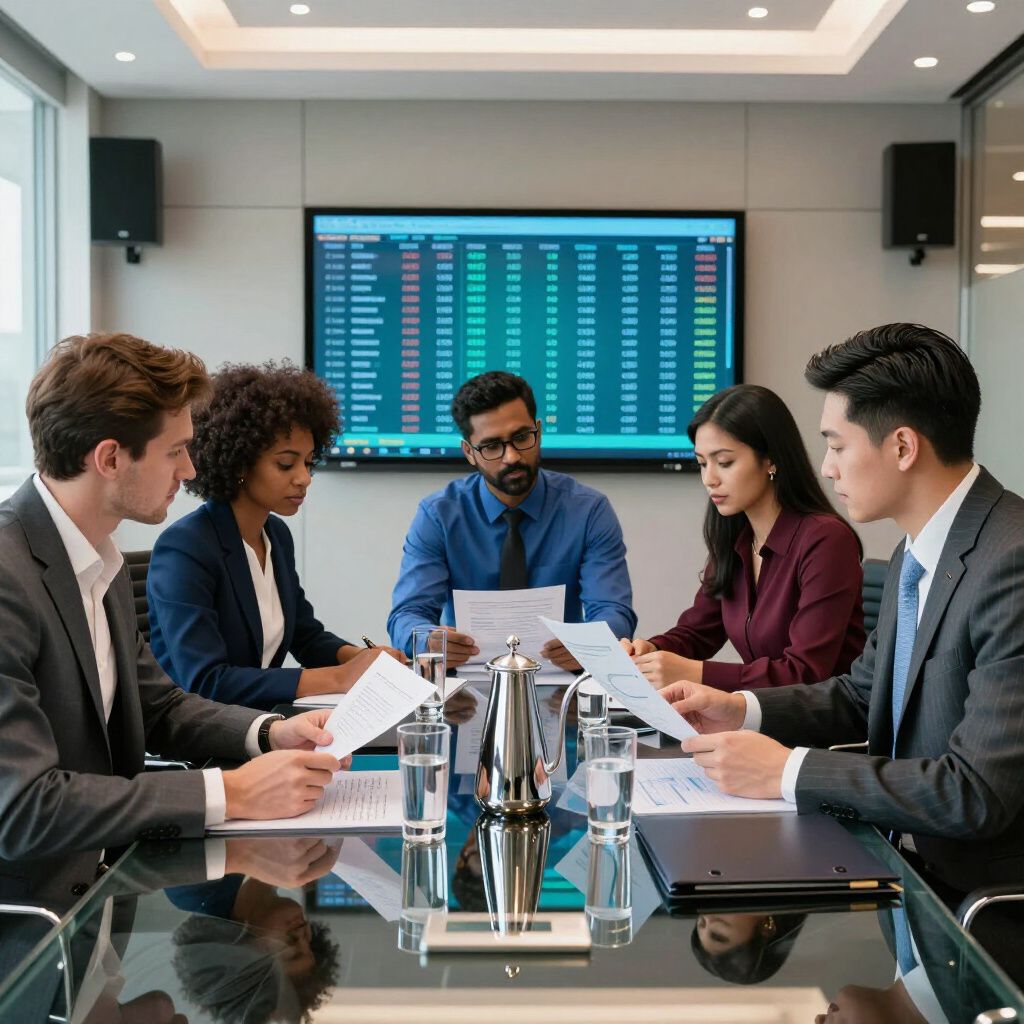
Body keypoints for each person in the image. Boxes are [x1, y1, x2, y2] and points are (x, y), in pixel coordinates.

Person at [662, 323, 1024, 984]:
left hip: (981, 922)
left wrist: (787, 772)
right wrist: (738, 710)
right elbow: (862, 698)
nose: (825, 466)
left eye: (836, 444)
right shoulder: (919, 550)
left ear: (903, 446)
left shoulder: (1011, 560)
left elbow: (975, 794)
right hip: (906, 886)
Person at [0, 333, 346, 890]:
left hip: (113, 894)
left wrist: (271, 733)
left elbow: (159, 709)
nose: (189, 470)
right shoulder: (8, 579)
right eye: (175, 450)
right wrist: (232, 793)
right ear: (111, 458)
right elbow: (24, 809)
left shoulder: (96, 557)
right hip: (40, 929)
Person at [147, 362, 404, 711]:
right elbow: (207, 681)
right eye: (286, 464)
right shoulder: (186, 547)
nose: (304, 478)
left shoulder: (276, 535)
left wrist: (366, 660)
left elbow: (305, 635)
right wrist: (340, 678)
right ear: (239, 462)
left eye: (309, 463)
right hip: (203, 735)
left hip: (261, 721)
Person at [621, 384, 865, 691]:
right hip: (764, 718)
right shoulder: (735, 536)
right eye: (702, 463)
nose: (709, 479)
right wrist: (650, 651)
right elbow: (698, 633)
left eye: (724, 463)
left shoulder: (826, 540)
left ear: (771, 459)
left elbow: (805, 673)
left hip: (826, 728)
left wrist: (694, 672)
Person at [387, 371, 637, 670]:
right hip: (466, 680)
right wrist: (428, 641)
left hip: (563, 681)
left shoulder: (588, 511)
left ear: (539, 431)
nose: (512, 457)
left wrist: (591, 642)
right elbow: (407, 615)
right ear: (469, 452)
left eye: (521, 437)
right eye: (492, 446)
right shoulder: (438, 515)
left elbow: (614, 612)